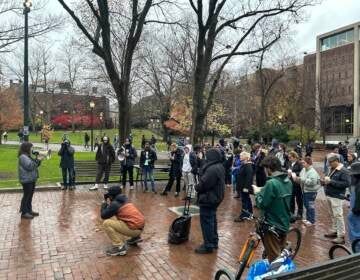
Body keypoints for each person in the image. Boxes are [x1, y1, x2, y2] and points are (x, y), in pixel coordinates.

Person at [252, 156, 293, 263]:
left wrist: (257, 193)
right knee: (280, 249)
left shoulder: (271, 183)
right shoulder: (287, 180)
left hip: (272, 223)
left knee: (275, 261)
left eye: (265, 169)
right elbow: (278, 196)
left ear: (269, 169)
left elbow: (261, 204)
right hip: (283, 220)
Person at [194, 148, 225, 254]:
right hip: (215, 197)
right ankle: (214, 241)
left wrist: (196, 187)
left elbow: (203, 184)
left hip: (209, 198)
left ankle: (208, 245)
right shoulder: (219, 166)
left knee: (207, 222)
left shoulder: (212, 169)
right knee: (212, 220)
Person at [101, 186, 145, 256]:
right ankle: (136, 238)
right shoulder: (125, 199)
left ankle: (119, 247)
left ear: (111, 196)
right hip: (140, 228)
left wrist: (104, 203)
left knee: (107, 223)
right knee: (125, 217)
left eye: (109, 195)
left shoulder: (115, 204)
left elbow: (103, 216)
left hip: (134, 230)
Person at [322, 153, 351, 244]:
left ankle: (341, 236)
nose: (329, 164)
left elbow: (346, 184)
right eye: (329, 162)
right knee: (333, 215)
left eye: (331, 162)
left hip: (337, 196)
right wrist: (324, 182)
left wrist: (331, 181)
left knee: (338, 216)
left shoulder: (343, 171)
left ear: (337, 161)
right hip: (330, 195)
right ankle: (335, 231)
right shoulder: (332, 169)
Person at [294, 156, 321, 226]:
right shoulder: (304, 169)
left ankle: (311, 221)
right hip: (305, 190)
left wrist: (300, 179)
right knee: (306, 204)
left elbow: (312, 182)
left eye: (304, 163)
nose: (302, 164)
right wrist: (297, 179)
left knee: (310, 205)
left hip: (311, 192)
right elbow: (301, 176)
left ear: (308, 163)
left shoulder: (312, 172)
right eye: (302, 163)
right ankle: (308, 218)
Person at [18, 142, 42, 219]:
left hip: (31, 179)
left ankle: (29, 210)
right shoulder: (23, 157)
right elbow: (30, 166)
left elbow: (35, 165)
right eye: (31, 147)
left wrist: (38, 159)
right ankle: (24, 213)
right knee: (26, 196)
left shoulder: (27, 156)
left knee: (30, 196)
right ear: (27, 148)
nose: (32, 149)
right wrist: (37, 159)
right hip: (26, 180)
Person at [234, 152, 254, 222]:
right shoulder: (244, 165)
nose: (240, 157)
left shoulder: (248, 166)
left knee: (245, 200)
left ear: (246, 157)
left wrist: (246, 187)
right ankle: (250, 213)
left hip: (245, 187)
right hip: (243, 186)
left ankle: (244, 215)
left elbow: (249, 178)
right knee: (247, 200)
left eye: (241, 156)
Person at [288, 151, 303, 222]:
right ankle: (292, 213)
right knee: (291, 199)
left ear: (294, 157)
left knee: (299, 199)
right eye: (289, 157)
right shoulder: (290, 163)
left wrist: (293, 173)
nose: (289, 159)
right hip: (290, 184)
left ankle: (300, 213)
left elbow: (302, 172)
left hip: (297, 184)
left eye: (290, 157)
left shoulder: (299, 163)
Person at [348, 162, 360, 252]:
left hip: (357, 214)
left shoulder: (358, 185)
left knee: (356, 236)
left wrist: (354, 210)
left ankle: (356, 253)